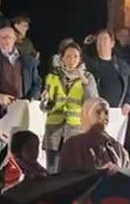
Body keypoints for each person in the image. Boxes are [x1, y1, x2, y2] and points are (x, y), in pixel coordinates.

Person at [40, 41, 98, 173]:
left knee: (71, 169)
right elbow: (45, 108)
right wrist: (45, 100)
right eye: (68, 56)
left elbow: (93, 101)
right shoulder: (52, 77)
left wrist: (82, 79)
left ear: (80, 59)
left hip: (75, 131)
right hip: (54, 130)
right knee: (52, 170)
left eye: (75, 56)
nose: (72, 60)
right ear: (62, 58)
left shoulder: (88, 77)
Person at [59, 98, 130, 172]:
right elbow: (68, 177)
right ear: (86, 115)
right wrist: (99, 173)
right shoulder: (74, 144)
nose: (104, 117)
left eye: (106, 113)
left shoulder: (118, 147)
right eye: (98, 112)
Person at [0, 26, 42, 110]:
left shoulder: (28, 61)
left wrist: (31, 100)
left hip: (23, 107)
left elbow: (37, 83)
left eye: (9, 37)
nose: (5, 40)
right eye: (2, 37)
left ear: (15, 39)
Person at [84, 29, 130, 114]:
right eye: (98, 40)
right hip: (97, 111)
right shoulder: (90, 64)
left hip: (118, 111)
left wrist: (128, 103)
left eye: (104, 40)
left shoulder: (122, 65)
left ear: (112, 43)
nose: (101, 43)